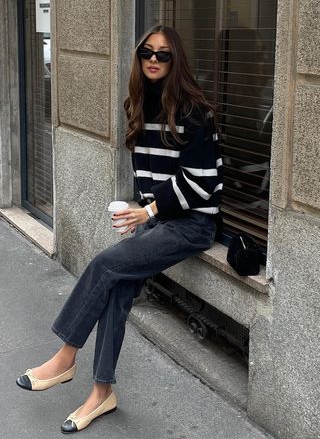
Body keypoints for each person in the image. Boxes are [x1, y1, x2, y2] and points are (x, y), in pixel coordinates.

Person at [16, 25, 223, 434]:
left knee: (105, 265)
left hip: (193, 224)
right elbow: (149, 174)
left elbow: (200, 182)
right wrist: (145, 210)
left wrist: (148, 211)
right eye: (147, 51)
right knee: (116, 287)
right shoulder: (139, 105)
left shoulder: (195, 112)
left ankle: (66, 355)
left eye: (163, 54)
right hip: (161, 218)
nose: (154, 59)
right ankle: (102, 393)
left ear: (175, 60)